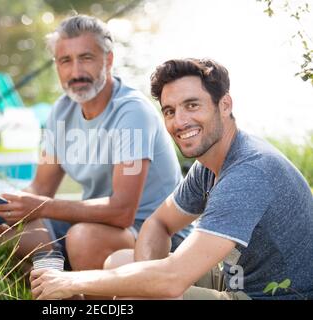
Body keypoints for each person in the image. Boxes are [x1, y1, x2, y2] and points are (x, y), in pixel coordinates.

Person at [30, 58, 313, 300]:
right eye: (170, 111)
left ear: (224, 105)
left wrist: (72, 281)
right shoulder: (208, 166)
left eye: (192, 105)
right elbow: (159, 223)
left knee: (140, 290)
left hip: (265, 294)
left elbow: (173, 278)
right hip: (233, 278)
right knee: (121, 263)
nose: (179, 121)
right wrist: (145, 275)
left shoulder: (248, 172)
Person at [0, 15, 187, 272]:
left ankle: (80, 289)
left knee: (83, 238)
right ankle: (65, 289)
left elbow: (122, 211)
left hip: (154, 233)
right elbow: (41, 187)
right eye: (66, 61)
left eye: (86, 58)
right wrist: (3, 211)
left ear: (108, 60)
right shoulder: (61, 112)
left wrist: (41, 206)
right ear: (57, 66)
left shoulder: (132, 112)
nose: (75, 72)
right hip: (98, 225)